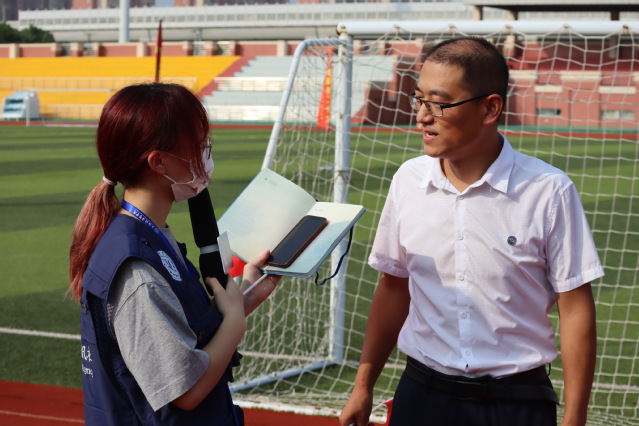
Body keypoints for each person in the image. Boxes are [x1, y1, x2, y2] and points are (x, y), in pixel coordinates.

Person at [339, 37, 603, 426]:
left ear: (490, 108)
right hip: (421, 398)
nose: (422, 116)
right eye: (418, 99)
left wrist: (575, 418)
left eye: (438, 103)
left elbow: (575, 306)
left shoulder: (549, 191)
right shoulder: (407, 181)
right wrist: (363, 386)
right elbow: (393, 286)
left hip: (517, 405)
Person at [68, 83, 280, 425]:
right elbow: (186, 391)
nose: (206, 155)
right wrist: (235, 323)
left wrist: (247, 295)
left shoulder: (151, 234)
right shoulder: (136, 269)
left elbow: (186, 330)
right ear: (159, 161)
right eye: (199, 145)